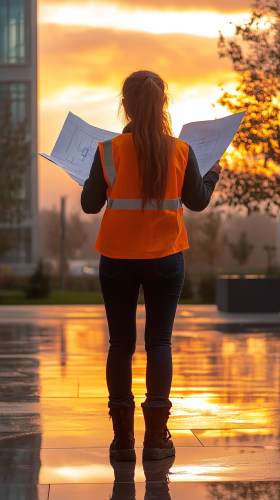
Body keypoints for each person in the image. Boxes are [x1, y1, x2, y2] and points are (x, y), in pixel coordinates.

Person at [81, 70, 221, 462]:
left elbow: (90, 205)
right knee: (158, 342)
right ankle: (156, 441)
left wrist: (89, 183)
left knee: (121, 344)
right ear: (163, 105)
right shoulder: (181, 150)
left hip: (116, 260)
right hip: (165, 258)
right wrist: (211, 176)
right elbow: (196, 201)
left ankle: (122, 441)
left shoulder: (107, 150)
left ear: (124, 104)